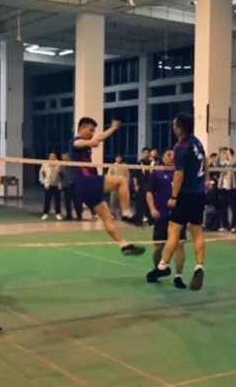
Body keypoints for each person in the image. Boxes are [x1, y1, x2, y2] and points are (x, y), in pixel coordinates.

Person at [146, 113, 208, 291]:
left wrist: (173, 197)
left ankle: (163, 266)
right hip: (199, 194)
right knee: (197, 232)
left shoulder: (181, 147)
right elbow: (205, 161)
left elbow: (179, 174)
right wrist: (206, 180)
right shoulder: (197, 142)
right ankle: (199, 266)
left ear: (179, 128)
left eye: (174, 125)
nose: (173, 127)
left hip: (185, 194)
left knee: (173, 231)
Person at [69, 117, 145, 256]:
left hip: (84, 189)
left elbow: (99, 138)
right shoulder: (75, 141)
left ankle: (123, 245)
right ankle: (126, 213)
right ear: (82, 128)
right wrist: (90, 142)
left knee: (107, 218)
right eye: (90, 130)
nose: (92, 133)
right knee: (121, 181)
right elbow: (79, 143)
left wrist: (113, 127)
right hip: (84, 181)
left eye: (93, 131)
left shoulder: (87, 142)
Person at [145, 148, 187, 289]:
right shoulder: (156, 172)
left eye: (174, 156)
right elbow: (149, 192)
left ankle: (178, 276)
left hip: (178, 214)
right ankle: (159, 269)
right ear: (162, 157)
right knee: (158, 247)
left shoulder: (180, 173)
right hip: (161, 214)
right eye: (168, 155)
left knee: (179, 245)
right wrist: (152, 209)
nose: (171, 157)